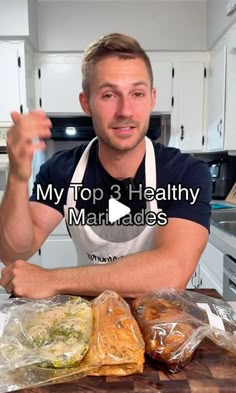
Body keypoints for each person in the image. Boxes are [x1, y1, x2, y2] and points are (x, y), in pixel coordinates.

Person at [0, 33, 211, 299]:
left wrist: (52, 279)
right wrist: (18, 177)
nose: (125, 110)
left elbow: (173, 270)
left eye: (137, 93)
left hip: (162, 322)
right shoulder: (61, 172)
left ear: (152, 99)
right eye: (109, 95)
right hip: (90, 316)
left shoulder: (184, 174)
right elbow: (14, 252)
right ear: (86, 103)